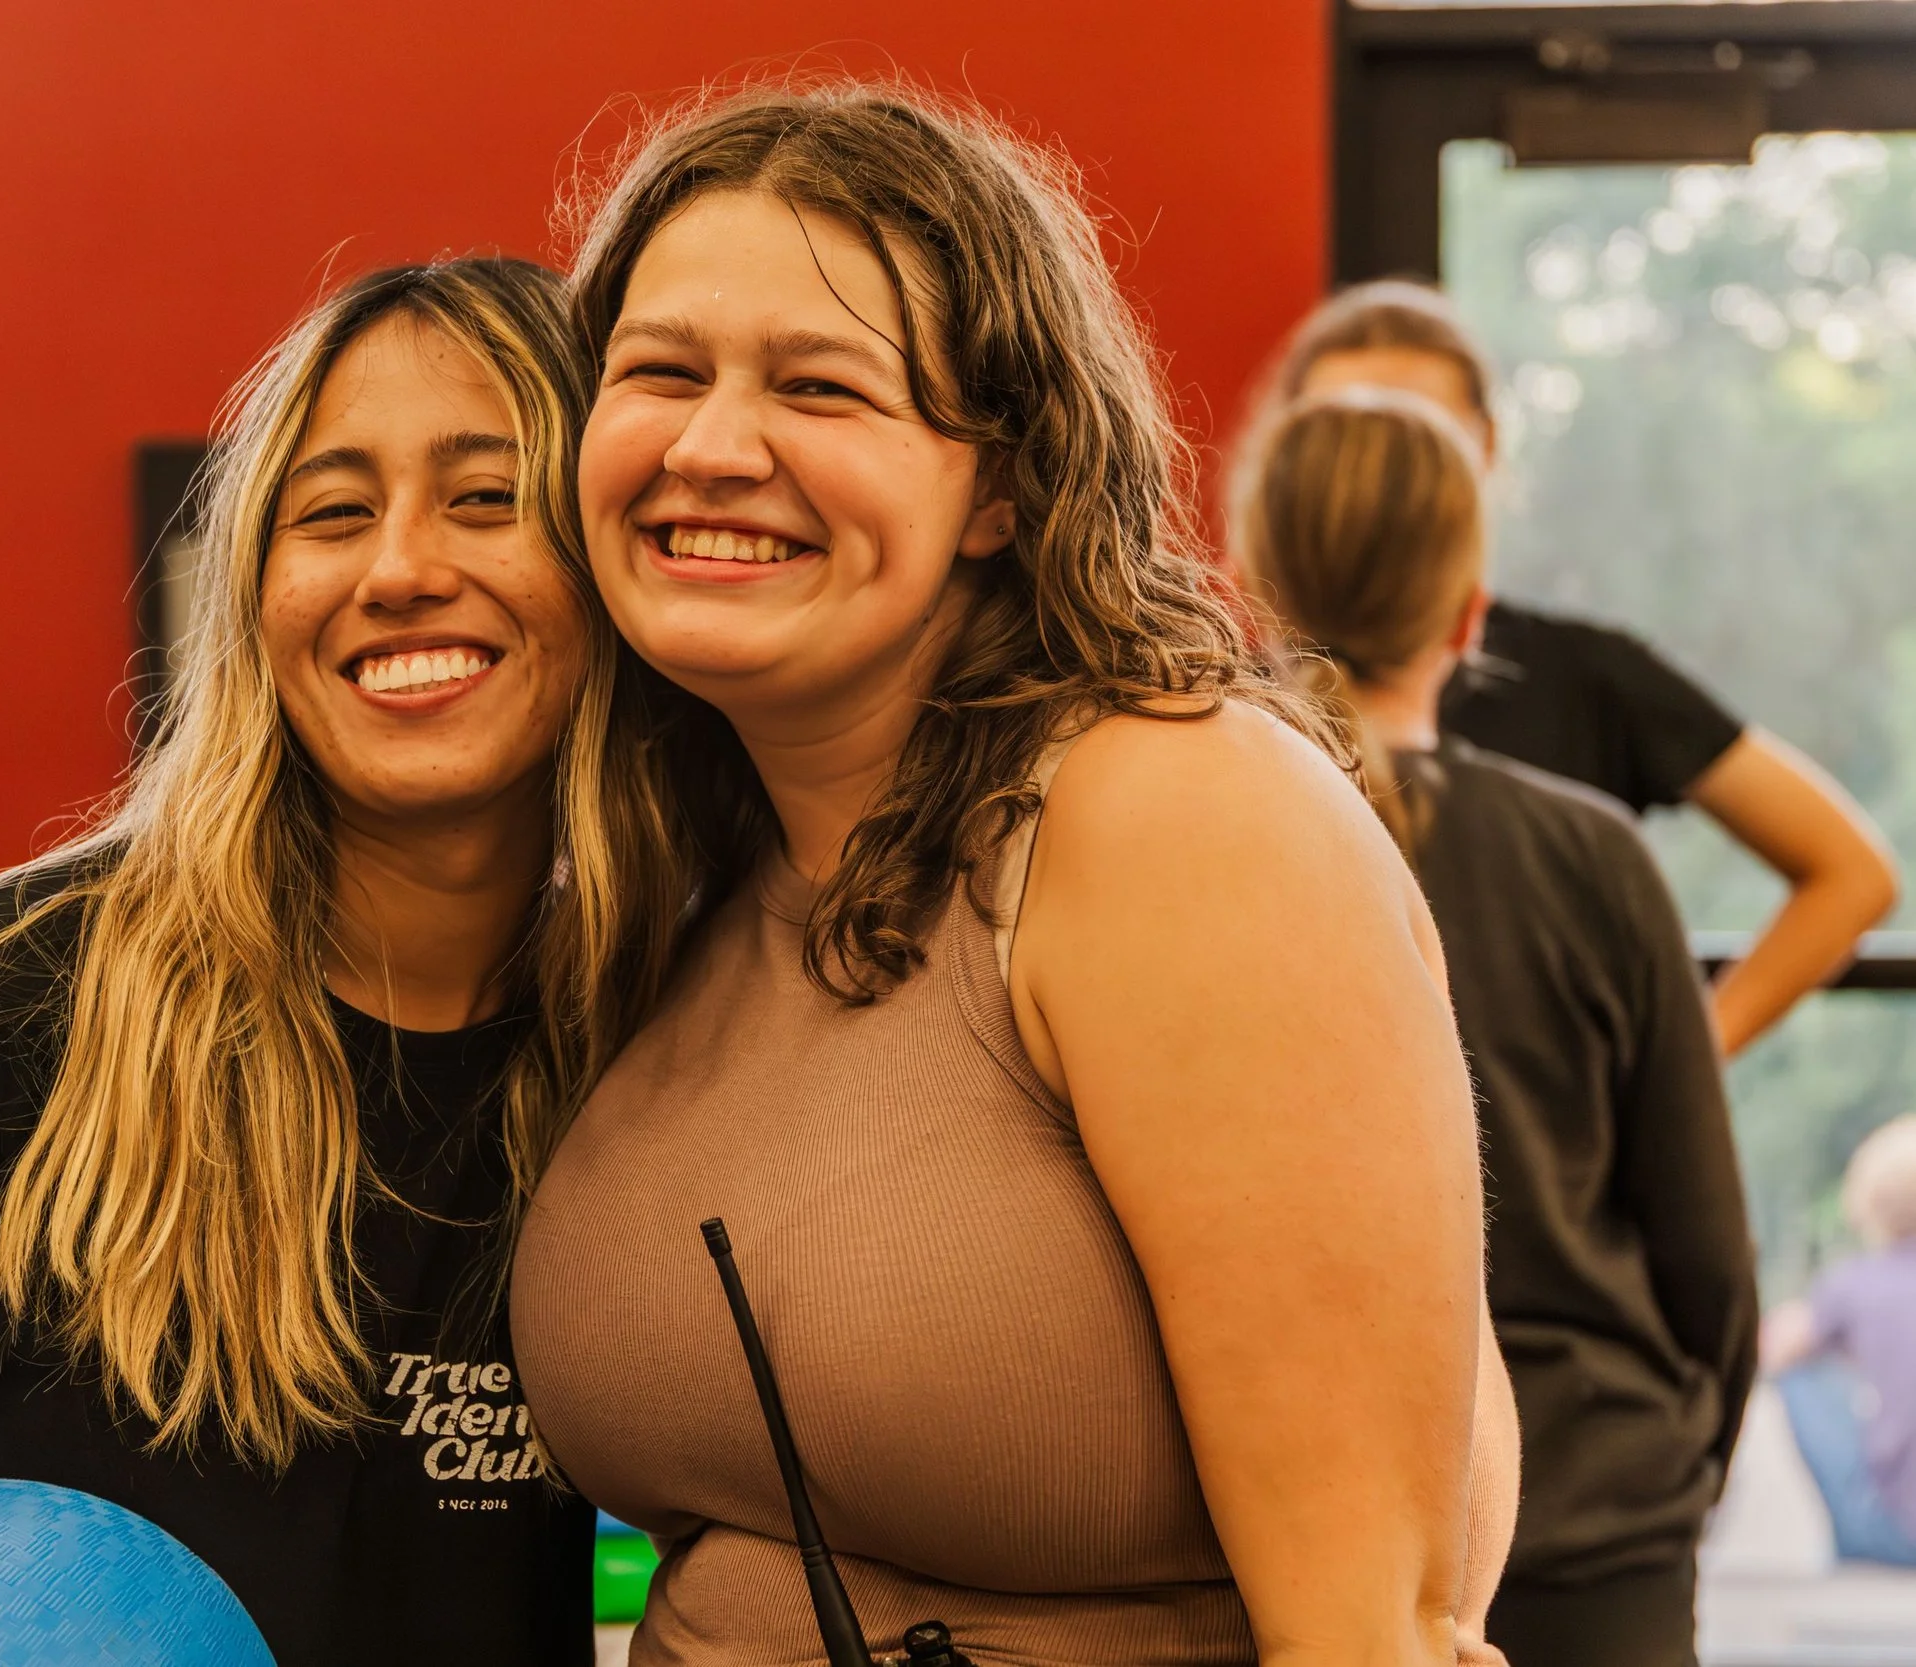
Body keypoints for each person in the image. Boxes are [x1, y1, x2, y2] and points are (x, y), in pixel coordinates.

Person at [513, 83, 1518, 1667]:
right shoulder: (695, 876)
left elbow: (1375, 1627)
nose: (711, 445)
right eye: (661, 372)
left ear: (1000, 482)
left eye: (821, 387)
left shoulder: (1168, 809)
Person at [0, 258, 694, 1667]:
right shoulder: (8, 1000)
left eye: (486, 495)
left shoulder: (670, 1035)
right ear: (255, 598)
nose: (398, 569)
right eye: (331, 513)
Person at [1236, 385, 1758, 1667]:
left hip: (1286, 1544)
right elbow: (1712, 1269)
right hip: (1600, 1531)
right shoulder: (1595, 856)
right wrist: (1673, 1478)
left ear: (1250, 585)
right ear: (1470, 617)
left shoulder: (1198, 856)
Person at [1263, 280, 1897, 1059]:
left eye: (1420, 434)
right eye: (1344, 435)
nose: (1382, 474)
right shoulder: (1227, 714)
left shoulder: (1589, 676)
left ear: (1486, 450)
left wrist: (1678, 1068)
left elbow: (1850, 871)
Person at [1763, 1114, 1916, 1567]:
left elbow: (1775, 1349)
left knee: (1799, 1373)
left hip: (1892, 1532)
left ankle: (1851, 1534)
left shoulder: (1853, 1284)